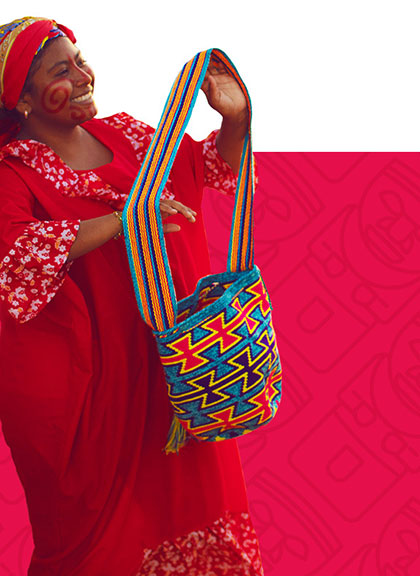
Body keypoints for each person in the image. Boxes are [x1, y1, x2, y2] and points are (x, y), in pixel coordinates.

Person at [0, 16, 264, 576]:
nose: (82, 75)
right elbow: (16, 256)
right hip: (100, 388)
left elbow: (214, 167)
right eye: (59, 71)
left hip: (176, 371)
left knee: (197, 506)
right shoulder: (13, 176)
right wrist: (126, 221)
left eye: (79, 60)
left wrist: (235, 118)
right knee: (100, 541)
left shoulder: (130, 136)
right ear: (21, 100)